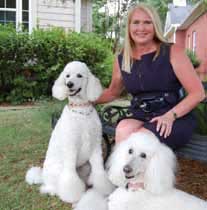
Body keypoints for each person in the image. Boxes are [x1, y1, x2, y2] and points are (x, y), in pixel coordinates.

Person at [95, 3, 205, 149]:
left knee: (139, 139)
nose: (141, 28)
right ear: (129, 27)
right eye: (136, 23)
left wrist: (170, 116)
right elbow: (112, 92)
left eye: (147, 22)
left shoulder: (173, 52)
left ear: (155, 26)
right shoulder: (122, 58)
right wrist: (85, 100)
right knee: (123, 130)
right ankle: (122, 172)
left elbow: (198, 93)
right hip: (140, 113)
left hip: (173, 116)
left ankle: (148, 172)